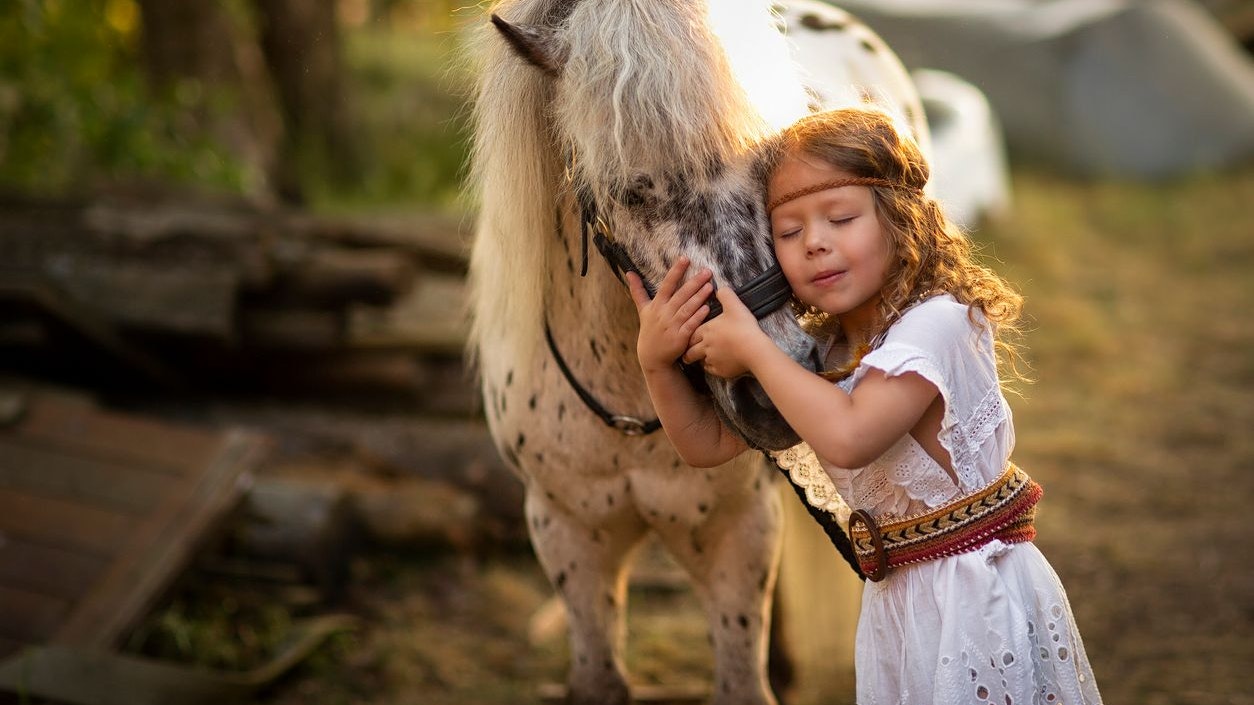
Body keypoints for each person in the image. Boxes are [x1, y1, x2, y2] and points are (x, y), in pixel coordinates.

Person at [625, 107, 1102, 704]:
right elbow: (707, 446)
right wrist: (656, 361)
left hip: (973, 597)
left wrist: (752, 346)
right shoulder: (825, 355)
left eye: (841, 218)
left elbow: (850, 437)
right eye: (789, 232)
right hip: (898, 604)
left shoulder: (940, 323)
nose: (816, 243)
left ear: (900, 219)